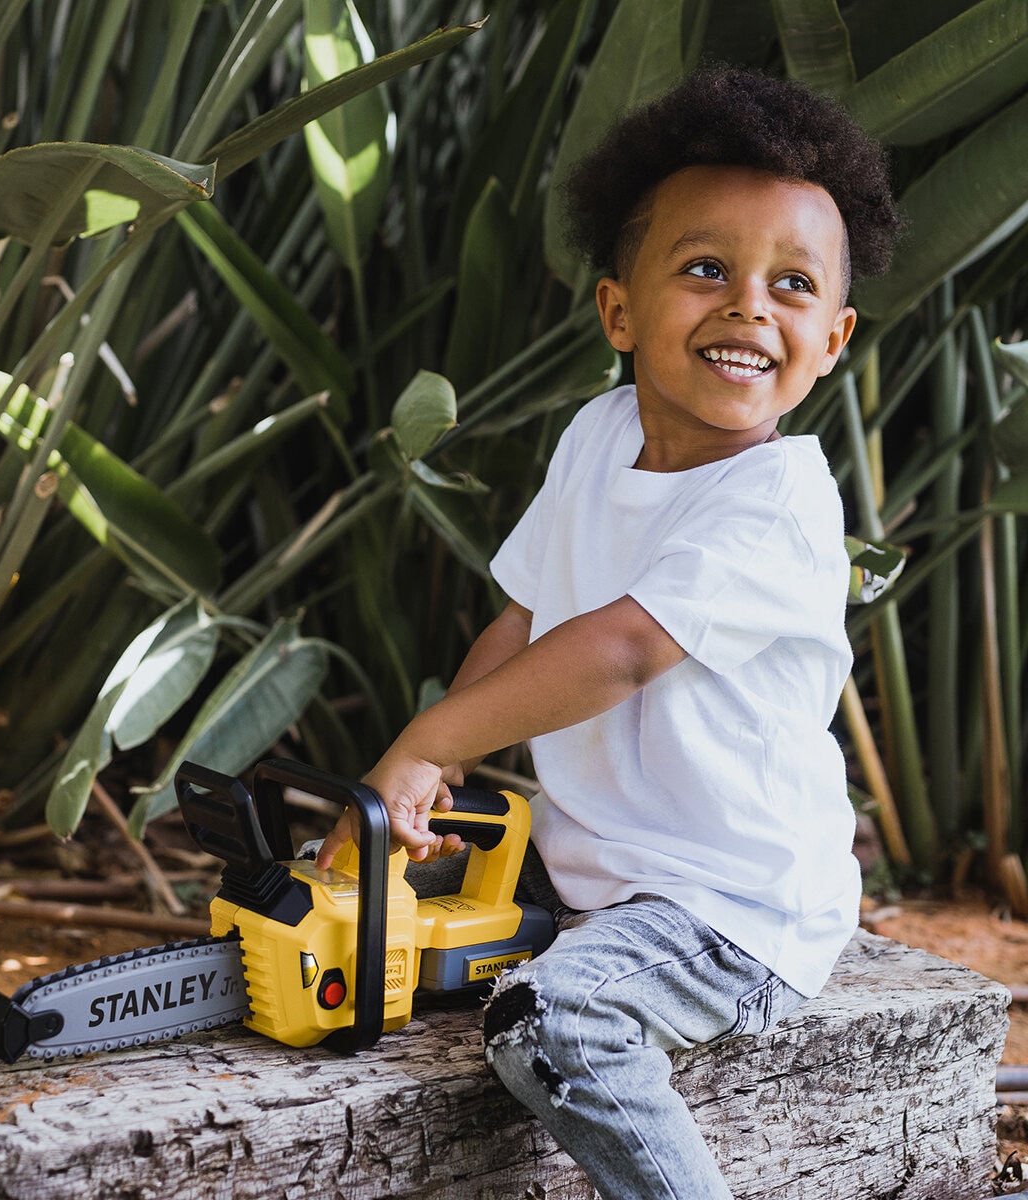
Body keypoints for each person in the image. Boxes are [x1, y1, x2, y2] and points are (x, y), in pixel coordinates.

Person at [316, 65, 900, 1199]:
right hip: (610, 874)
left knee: (552, 1021)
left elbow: (622, 648)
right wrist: (417, 778)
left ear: (831, 340)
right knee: (419, 922)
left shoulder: (772, 504)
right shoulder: (599, 433)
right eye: (703, 270)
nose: (747, 307)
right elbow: (530, 617)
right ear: (618, 310)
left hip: (733, 908)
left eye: (791, 286)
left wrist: (431, 737)